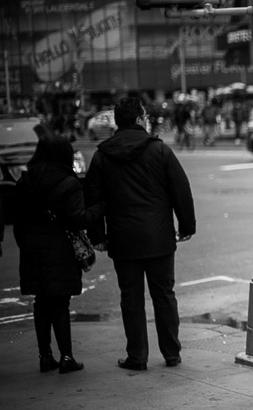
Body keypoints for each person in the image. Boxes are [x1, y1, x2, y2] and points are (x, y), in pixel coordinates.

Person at [85, 96, 196, 371]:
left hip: (123, 240)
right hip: (158, 238)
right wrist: (186, 226)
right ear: (138, 119)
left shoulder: (102, 156)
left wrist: (97, 236)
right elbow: (180, 190)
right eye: (144, 116)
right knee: (164, 295)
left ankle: (137, 356)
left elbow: (93, 198)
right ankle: (171, 352)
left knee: (131, 299)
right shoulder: (160, 151)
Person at [13, 135, 104, 374]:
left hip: (33, 251)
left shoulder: (25, 182)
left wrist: (27, 245)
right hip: (60, 250)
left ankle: (45, 356)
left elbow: (17, 222)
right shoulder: (68, 182)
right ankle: (66, 356)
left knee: (41, 303)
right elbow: (79, 218)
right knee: (60, 303)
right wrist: (99, 208)